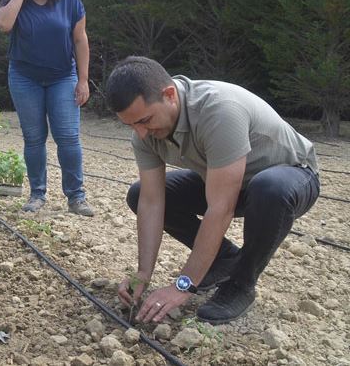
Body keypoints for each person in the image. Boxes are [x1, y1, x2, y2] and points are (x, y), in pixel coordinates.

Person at [105, 56, 320, 324]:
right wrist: (143, 273)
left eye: (145, 120)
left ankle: (241, 283)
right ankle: (224, 260)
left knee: (269, 190)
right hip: (228, 179)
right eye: (131, 125)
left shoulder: (219, 110)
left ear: (169, 95)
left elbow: (221, 208)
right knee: (138, 194)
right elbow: (151, 201)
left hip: (292, 176)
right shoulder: (145, 133)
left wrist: (183, 285)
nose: (141, 133)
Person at [0, 0, 94, 217]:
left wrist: (83, 80)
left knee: (68, 137)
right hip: (25, 78)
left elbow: (80, 39)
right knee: (34, 138)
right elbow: (3, 25)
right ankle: (37, 194)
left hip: (63, 76)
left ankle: (76, 197)